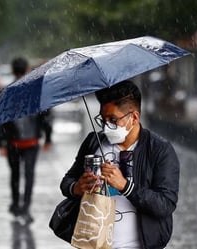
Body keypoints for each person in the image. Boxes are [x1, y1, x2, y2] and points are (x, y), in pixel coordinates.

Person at [60, 80, 180, 248]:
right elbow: (67, 182)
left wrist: (125, 186)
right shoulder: (94, 142)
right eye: (103, 119)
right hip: (94, 243)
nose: (107, 126)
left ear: (134, 117)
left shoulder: (159, 150)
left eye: (113, 120)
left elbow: (165, 205)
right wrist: (76, 187)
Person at [0, 57, 53, 223]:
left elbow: (1, 120)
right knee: (29, 175)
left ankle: (15, 204)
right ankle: (26, 207)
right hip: (32, 142)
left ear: (13, 71)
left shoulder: (7, 91)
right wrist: (48, 138)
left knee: (14, 175)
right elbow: (45, 118)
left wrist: (1, 143)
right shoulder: (36, 91)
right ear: (27, 69)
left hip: (13, 142)